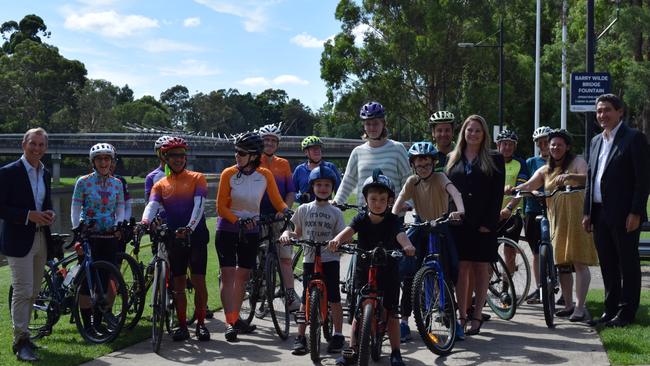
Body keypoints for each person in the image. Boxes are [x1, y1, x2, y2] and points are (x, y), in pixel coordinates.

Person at [329, 170, 416, 366]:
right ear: (366, 199)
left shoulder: (393, 221)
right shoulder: (361, 218)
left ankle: (395, 352)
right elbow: (347, 232)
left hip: (388, 270)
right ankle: (352, 350)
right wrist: (336, 240)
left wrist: (407, 246)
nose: (378, 203)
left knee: (392, 312)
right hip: (363, 269)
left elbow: (401, 236)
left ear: (390, 201)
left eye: (382, 199)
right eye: (373, 198)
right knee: (359, 312)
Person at [514, 129, 598, 321]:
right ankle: (568, 305)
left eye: (559, 144)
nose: (555, 147)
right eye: (552, 144)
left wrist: (570, 177)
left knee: (579, 262)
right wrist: (513, 189)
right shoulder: (545, 169)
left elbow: (588, 178)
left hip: (577, 219)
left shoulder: (577, 162)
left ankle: (579, 307)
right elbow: (528, 185)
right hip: (558, 220)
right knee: (562, 265)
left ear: (567, 147)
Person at [583, 93, 650, 327]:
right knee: (608, 264)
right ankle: (609, 310)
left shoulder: (634, 138)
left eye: (607, 110)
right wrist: (587, 212)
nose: (602, 115)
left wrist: (636, 212)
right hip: (599, 213)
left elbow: (643, 181)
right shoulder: (595, 141)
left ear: (620, 112)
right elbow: (591, 178)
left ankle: (627, 312)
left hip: (625, 215)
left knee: (628, 264)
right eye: (599, 111)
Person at [215, 132, 289, 342]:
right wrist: (236, 221)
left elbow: (277, 201)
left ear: (254, 155)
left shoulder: (265, 175)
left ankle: (235, 317)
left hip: (251, 230)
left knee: (242, 277)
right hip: (228, 229)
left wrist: (287, 211)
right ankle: (231, 322)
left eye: (242, 153)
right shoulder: (228, 174)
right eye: (236, 152)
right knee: (228, 275)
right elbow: (220, 207)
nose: (237, 156)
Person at [391, 141, 465, 342]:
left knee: (448, 271)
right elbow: (398, 202)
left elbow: (455, 193)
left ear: (434, 163)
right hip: (421, 226)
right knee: (408, 272)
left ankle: (453, 320)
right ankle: (404, 322)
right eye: (419, 165)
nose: (423, 169)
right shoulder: (411, 182)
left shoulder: (440, 177)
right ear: (413, 165)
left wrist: (460, 210)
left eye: (427, 164)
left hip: (441, 225)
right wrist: (392, 216)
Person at [140, 136, 211, 341]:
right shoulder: (160, 184)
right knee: (178, 284)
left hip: (195, 236)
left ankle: (200, 324)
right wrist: (145, 222)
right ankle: (182, 326)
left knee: (198, 281)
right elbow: (152, 206)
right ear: (165, 158)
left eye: (181, 155)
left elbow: (199, 206)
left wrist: (189, 227)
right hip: (173, 237)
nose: (178, 159)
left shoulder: (197, 177)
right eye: (173, 156)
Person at [445, 115, 505, 335]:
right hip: (458, 224)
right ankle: (462, 315)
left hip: (483, 225)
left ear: (484, 134)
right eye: (470, 130)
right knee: (461, 270)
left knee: (481, 269)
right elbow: (447, 190)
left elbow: (496, 195)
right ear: (464, 133)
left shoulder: (494, 158)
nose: (473, 134)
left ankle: (477, 315)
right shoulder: (453, 158)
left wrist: (489, 223)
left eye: (478, 131)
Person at [0, 128, 55, 362]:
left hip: (41, 237)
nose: (37, 148)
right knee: (22, 290)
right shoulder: (8, 172)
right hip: (17, 239)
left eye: (41, 145)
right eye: (33, 143)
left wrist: (49, 212)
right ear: (24, 144)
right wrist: (27, 215)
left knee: (34, 290)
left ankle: (25, 335)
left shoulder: (45, 172)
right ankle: (20, 341)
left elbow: (46, 200)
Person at [279, 166, 346, 355]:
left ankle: (339, 334)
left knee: (334, 296)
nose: (323, 188)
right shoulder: (304, 209)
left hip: (329, 258)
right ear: (312, 187)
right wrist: (286, 234)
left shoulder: (336, 212)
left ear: (332, 187)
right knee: (306, 298)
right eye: (318, 185)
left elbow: (343, 234)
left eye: (326, 185)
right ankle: (301, 336)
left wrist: (338, 241)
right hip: (310, 257)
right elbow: (293, 229)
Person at [71, 143, 126, 335]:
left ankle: (98, 322)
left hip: (108, 236)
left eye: (107, 159)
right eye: (100, 159)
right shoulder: (83, 182)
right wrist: (77, 228)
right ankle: (87, 326)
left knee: (103, 280)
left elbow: (119, 207)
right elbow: (76, 206)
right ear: (93, 162)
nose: (104, 162)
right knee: (87, 282)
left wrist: (119, 224)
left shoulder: (117, 183)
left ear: (111, 161)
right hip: (90, 235)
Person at [332, 101, 410, 206]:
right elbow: (348, 182)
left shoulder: (398, 149)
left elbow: (408, 181)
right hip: (364, 216)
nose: (372, 128)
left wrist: (407, 203)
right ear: (363, 126)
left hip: (392, 215)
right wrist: (336, 202)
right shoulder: (357, 152)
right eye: (368, 124)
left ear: (383, 124)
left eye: (376, 123)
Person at [257, 123, 300, 312]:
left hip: (279, 217)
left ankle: (289, 295)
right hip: (258, 217)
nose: (269, 143)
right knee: (259, 257)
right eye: (266, 139)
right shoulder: (253, 161)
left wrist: (285, 209)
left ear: (277, 144)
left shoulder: (283, 164)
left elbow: (290, 191)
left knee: (284, 257)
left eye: (273, 140)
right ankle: (260, 296)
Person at [495, 129, 529, 286]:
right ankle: (484, 290)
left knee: (509, 253)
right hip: (492, 215)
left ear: (515, 147)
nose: (507, 147)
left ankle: (506, 289)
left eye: (510, 144)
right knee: (487, 254)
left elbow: (521, 189)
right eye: (504, 144)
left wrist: (508, 208)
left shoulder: (520, 163)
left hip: (512, 215)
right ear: (498, 145)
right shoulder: (490, 161)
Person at [523, 126, 552, 304]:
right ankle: (540, 287)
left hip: (553, 207)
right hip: (532, 209)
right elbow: (526, 183)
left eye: (546, 141)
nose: (543, 145)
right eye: (539, 142)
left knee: (555, 248)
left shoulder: (559, 161)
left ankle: (562, 289)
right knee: (535, 251)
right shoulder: (531, 162)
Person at [293, 135, 342, 204]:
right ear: (306, 152)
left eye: (319, 148)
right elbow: (291, 193)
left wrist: (337, 202)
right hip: (306, 211)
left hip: (326, 209)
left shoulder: (330, 167)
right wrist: (300, 197)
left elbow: (339, 190)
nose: (317, 151)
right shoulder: (299, 170)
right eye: (313, 149)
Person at [145, 135, 173, 202]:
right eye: (163, 152)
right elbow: (148, 203)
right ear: (158, 153)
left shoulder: (181, 174)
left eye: (170, 151)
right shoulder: (151, 177)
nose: (167, 154)